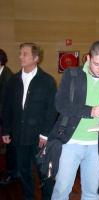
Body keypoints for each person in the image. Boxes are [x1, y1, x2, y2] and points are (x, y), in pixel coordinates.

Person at [51, 41, 99, 200]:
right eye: (96, 64)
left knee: (91, 193)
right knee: (62, 189)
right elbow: (60, 104)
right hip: (71, 143)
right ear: (88, 58)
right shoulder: (72, 74)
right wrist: (90, 110)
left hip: (96, 145)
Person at [2, 43, 57, 200]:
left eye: (25, 54)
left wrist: (45, 134)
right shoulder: (12, 81)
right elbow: (7, 107)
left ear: (36, 58)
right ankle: (28, 196)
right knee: (23, 170)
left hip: (39, 138)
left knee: (43, 171)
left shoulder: (47, 81)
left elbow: (51, 110)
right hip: (19, 136)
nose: (20, 57)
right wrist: (5, 130)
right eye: (20, 53)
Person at [0, 49, 14, 184]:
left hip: (4, 119)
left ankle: (10, 174)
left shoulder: (8, 76)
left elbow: (6, 103)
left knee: (7, 150)